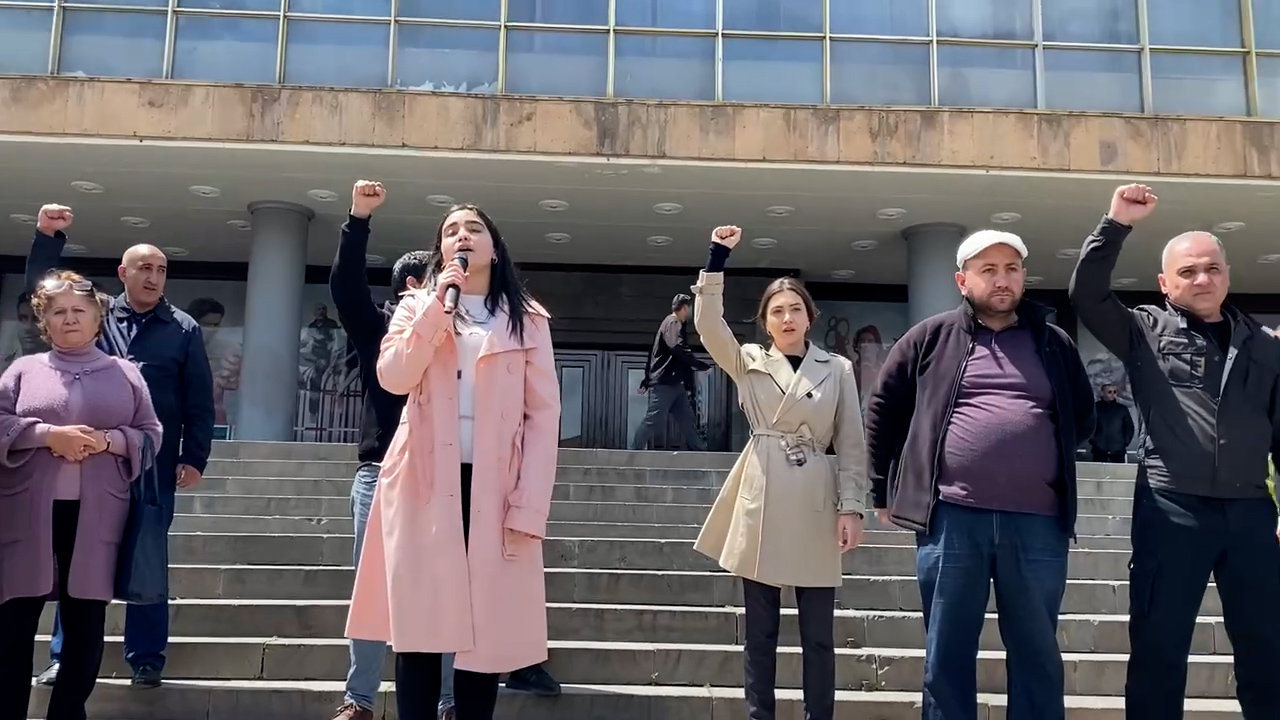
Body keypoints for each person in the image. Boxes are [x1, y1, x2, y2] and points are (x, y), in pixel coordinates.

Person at [864, 229, 1095, 720]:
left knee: (1037, 652)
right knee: (947, 651)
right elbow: (883, 409)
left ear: (1024, 277)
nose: (1001, 280)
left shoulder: (1054, 343)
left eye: (1011, 269)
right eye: (988, 270)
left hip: (1037, 522)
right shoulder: (930, 338)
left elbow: (1082, 415)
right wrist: (880, 489)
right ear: (962, 281)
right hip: (952, 517)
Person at [1068, 183, 1280, 719]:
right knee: (1159, 647)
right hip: (1171, 509)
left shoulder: (1264, 345)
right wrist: (1116, 223)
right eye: (1188, 271)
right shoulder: (1143, 330)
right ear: (1165, 283)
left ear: (1227, 276)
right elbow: (1087, 294)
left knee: (1268, 647)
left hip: (1251, 514)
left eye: (1211, 269)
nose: (1202, 278)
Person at [345, 202, 561, 720]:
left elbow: (543, 416)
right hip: (422, 483)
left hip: (495, 487)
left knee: (484, 637)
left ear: (494, 247)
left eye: (474, 228)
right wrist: (436, 310)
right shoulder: (418, 307)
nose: (462, 236)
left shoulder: (528, 320)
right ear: (441, 251)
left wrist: (530, 503)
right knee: (419, 631)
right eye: (451, 231)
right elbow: (394, 377)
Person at [25, 204, 215, 689]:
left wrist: (194, 457)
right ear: (123, 273)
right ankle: (63, 656)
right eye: (144, 268)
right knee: (76, 557)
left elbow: (198, 398)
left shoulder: (183, 329)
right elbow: (44, 288)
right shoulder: (98, 315)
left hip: (151, 465)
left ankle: (146, 658)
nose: (154, 277)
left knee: (147, 556)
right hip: (88, 464)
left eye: (161, 269)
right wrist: (48, 237)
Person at [690, 225, 868, 720]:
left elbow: (852, 442)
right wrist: (717, 258)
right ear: (765, 322)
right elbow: (708, 326)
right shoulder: (747, 360)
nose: (787, 318)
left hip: (816, 500)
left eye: (795, 309)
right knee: (760, 631)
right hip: (763, 498)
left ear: (810, 317)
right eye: (776, 311)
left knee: (819, 635)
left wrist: (852, 506)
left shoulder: (837, 369)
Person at [0, 271, 163, 720]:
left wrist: (110, 441)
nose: (69, 319)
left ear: (97, 318)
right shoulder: (23, 371)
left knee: (86, 627)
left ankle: (67, 714)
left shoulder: (126, 374)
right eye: (58, 312)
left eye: (78, 310)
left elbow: (151, 434)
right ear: (44, 322)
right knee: (13, 625)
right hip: (26, 514)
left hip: (99, 516)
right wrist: (47, 436)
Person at [630, 293, 710, 450]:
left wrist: (647, 380)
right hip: (665, 384)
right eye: (690, 309)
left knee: (687, 421)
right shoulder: (673, 323)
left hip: (676, 384)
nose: (690, 313)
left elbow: (653, 354)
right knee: (654, 419)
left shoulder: (670, 324)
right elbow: (677, 348)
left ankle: (701, 453)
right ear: (685, 308)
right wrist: (699, 365)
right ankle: (634, 451)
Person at [1088, 383, 1134, 463]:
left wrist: (1124, 442)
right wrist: (1093, 441)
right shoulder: (1095, 408)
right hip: (1099, 449)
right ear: (1102, 392)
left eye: (1114, 392)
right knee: (1098, 470)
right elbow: (1089, 425)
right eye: (1109, 392)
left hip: (1118, 450)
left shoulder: (1122, 409)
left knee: (1118, 471)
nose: (1112, 394)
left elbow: (1129, 427)